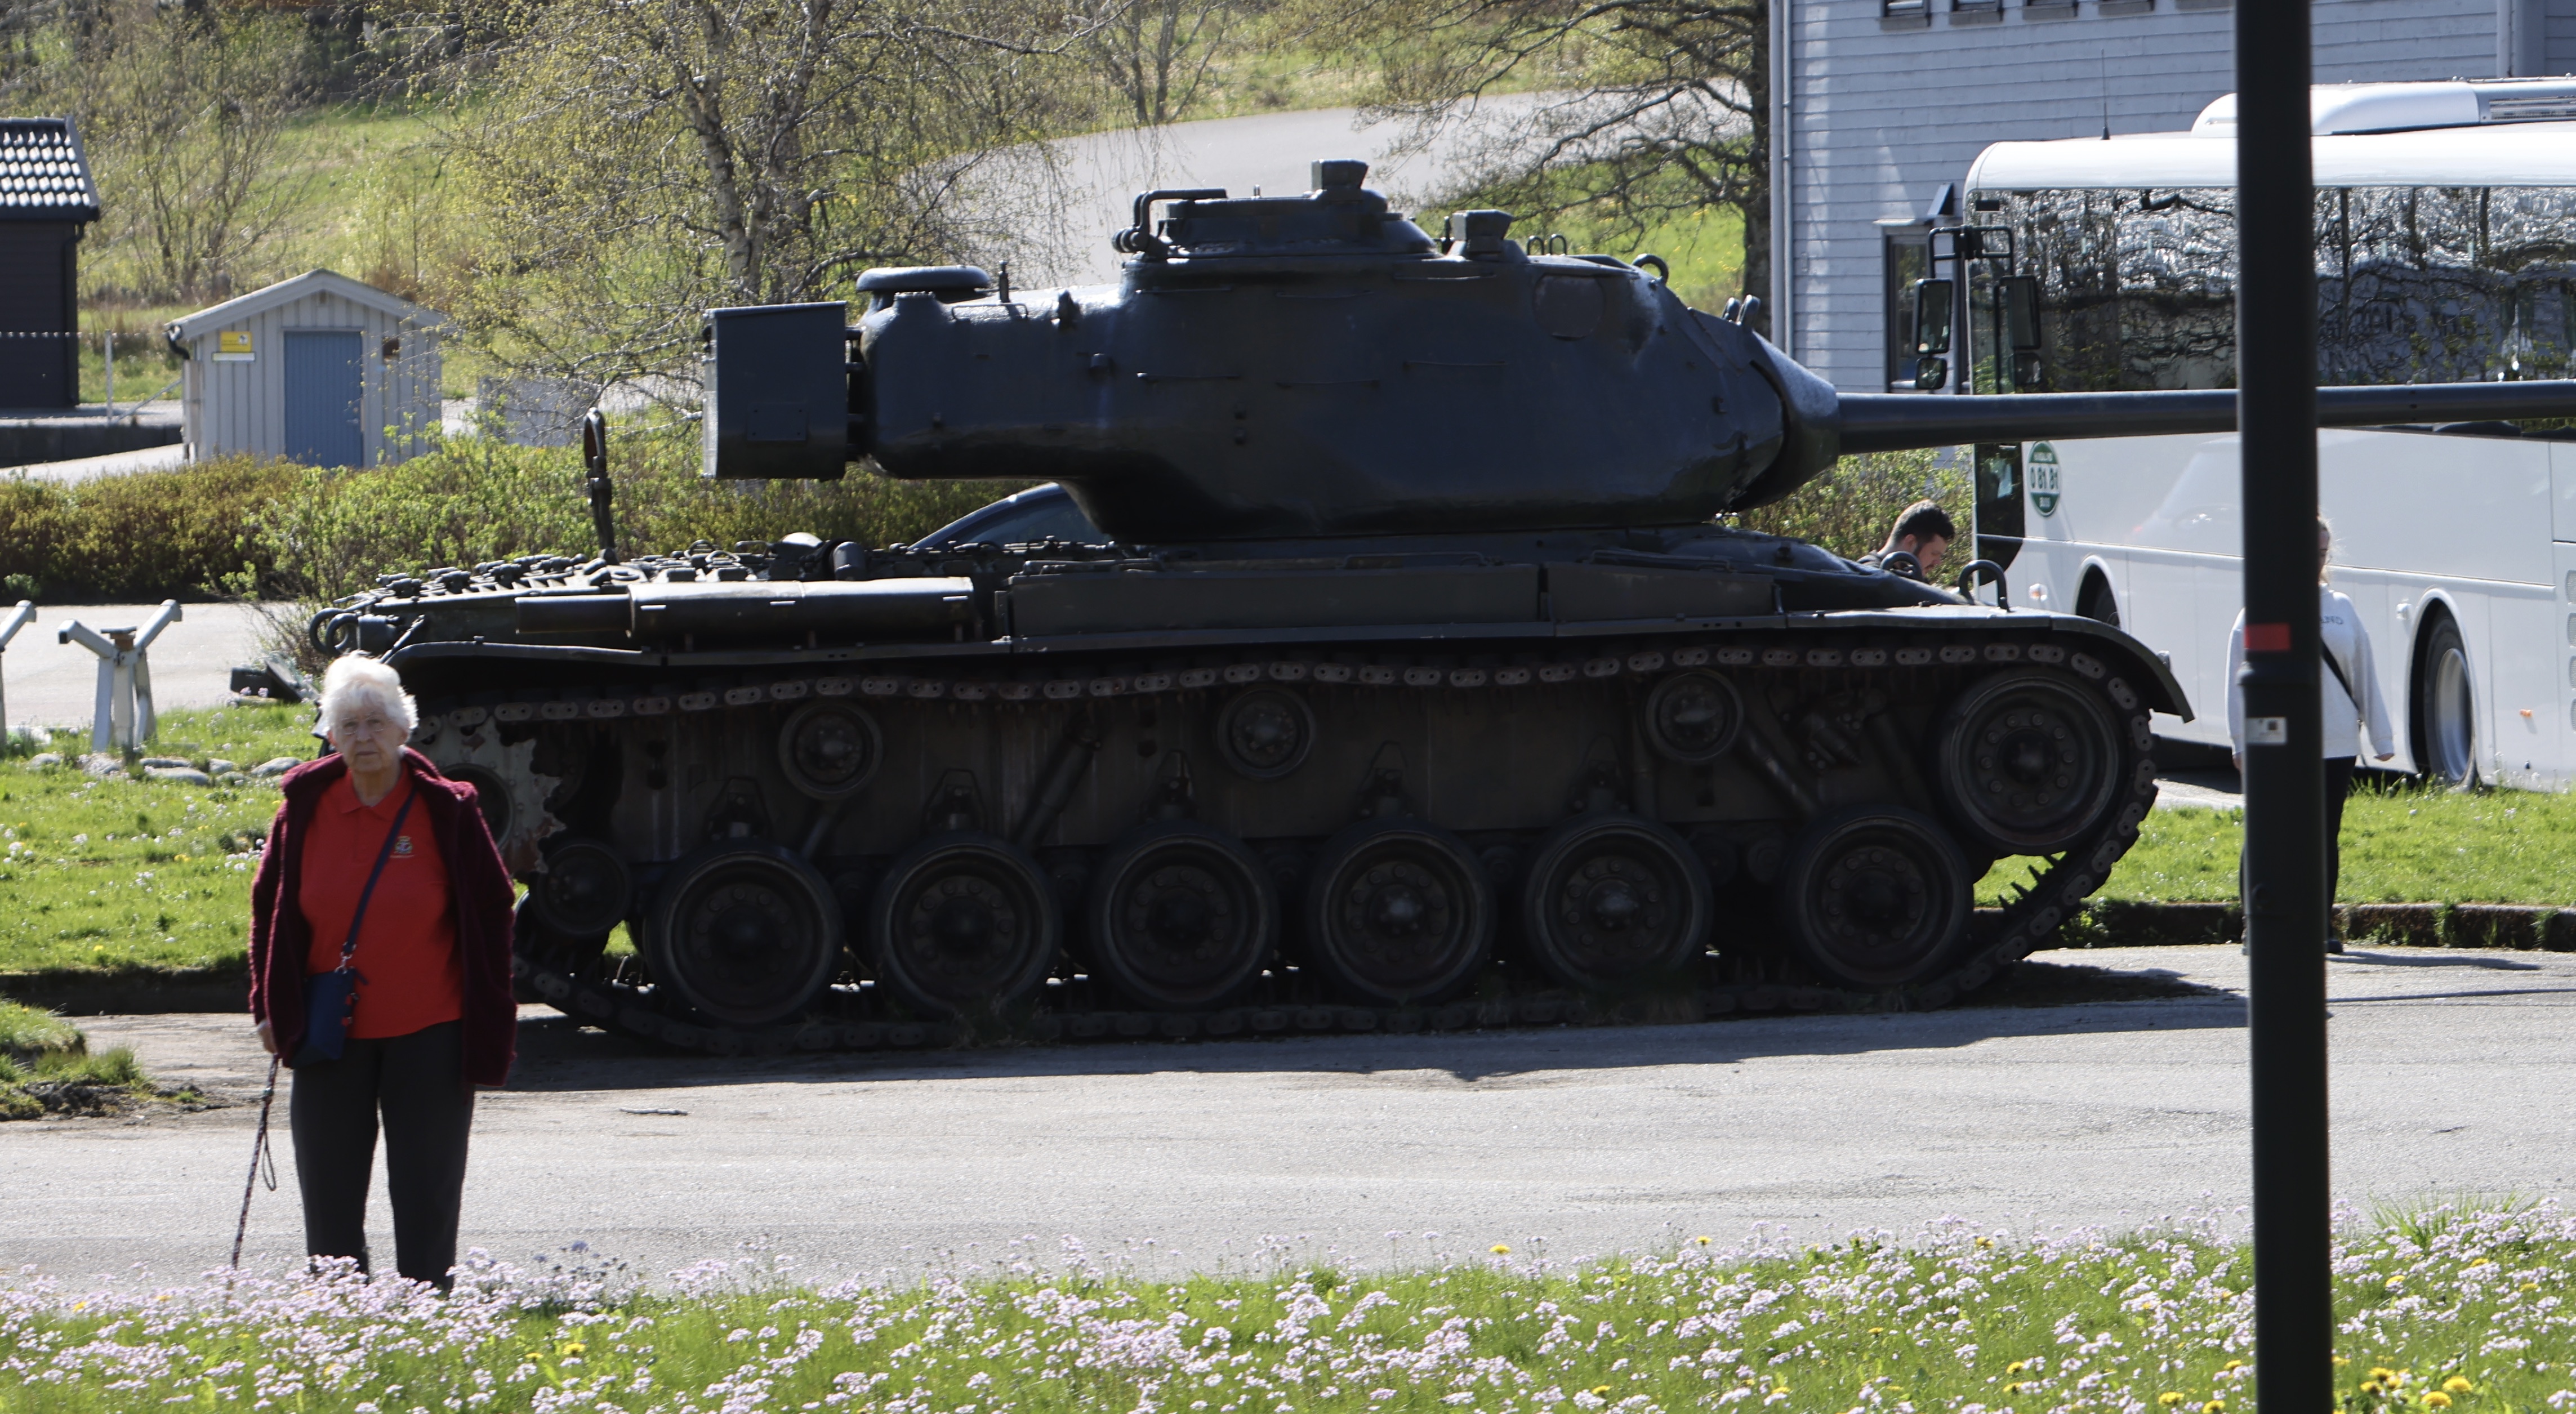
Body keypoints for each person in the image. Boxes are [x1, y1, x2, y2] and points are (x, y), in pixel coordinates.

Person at [247, 655, 518, 1289]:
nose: (363, 737)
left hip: (431, 1028)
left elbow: (492, 905)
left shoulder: (447, 810)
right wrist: (266, 1001)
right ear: (330, 736)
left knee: (426, 1187)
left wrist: (492, 1000)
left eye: (376, 723)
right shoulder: (303, 809)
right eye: (348, 725)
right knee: (329, 1188)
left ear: (404, 730)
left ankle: (427, 1308)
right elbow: (269, 908)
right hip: (326, 1031)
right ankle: (340, 1313)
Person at [2225, 518, 2396, 952]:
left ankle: (2320, 923)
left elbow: (2363, 673)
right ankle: (2257, 922)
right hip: (2276, 744)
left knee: (2324, 835)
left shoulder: (2341, 607)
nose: (2316, 559)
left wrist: (2382, 738)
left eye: (2322, 552)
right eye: (2308, 550)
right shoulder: (2261, 607)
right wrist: (2241, 742)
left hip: (2336, 742)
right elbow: (2239, 679)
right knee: (2268, 831)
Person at [1858, 500, 1956, 580]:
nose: (1938, 562)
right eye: (1934, 554)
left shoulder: (1910, 577)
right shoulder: (1867, 575)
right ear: (1911, 542)